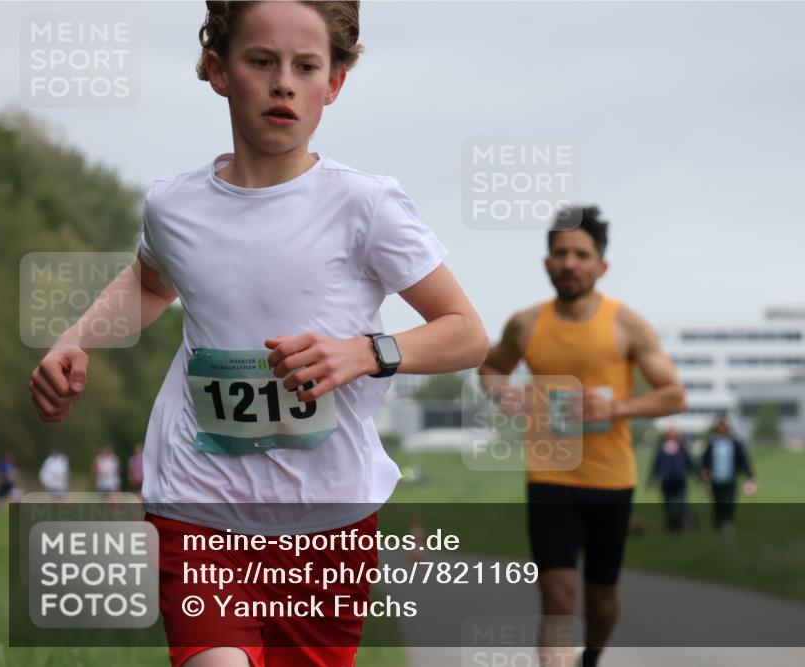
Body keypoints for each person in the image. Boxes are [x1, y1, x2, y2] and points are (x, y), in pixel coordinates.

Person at [28, 2, 488, 666]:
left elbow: (466, 332)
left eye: (306, 67)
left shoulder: (366, 206)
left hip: (326, 519)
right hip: (199, 501)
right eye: (261, 62)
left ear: (334, 84)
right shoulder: (174, 206)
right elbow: (153, 286)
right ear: (218, 71)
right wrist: (77, 339)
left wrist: (366, 352)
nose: (284, 84)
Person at [479, 205, 687, 667]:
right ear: (547, 263)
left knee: (600, 600)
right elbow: (491, 367)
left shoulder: (626, 324)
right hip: (550, 475)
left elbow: (674, 396)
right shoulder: (526, 324)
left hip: (611, 479)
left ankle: (590, 658)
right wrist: (506, 396)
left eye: (581, 254)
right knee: (557, 593)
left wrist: (617, 407)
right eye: (560, 253)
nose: (570, 263)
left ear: (601, 266)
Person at [700, 417, 757, 533]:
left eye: (724, 426)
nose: (722, 428)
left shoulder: (735, 443)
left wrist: (750, 476)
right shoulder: (711, 443)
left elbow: (743, 460)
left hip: (730, 479)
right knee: (718, 503)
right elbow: (705, 461)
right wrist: (704, 476)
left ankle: (727, 523)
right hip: (715, 479)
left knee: (729, 502)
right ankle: (718, 524)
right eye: (720, 426)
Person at [649, 426, 694, 532]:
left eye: (674, 434)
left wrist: (698, 475)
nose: (672, 436)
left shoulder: (681, 447)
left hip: (680, 480)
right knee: (668, 505)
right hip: (667, 481)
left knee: (683, 504)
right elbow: (656, 464)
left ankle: (683, 524)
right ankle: (670, 525)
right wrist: (651, 481)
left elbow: (689, 461)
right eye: (670, 434)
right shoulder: (662, 448)